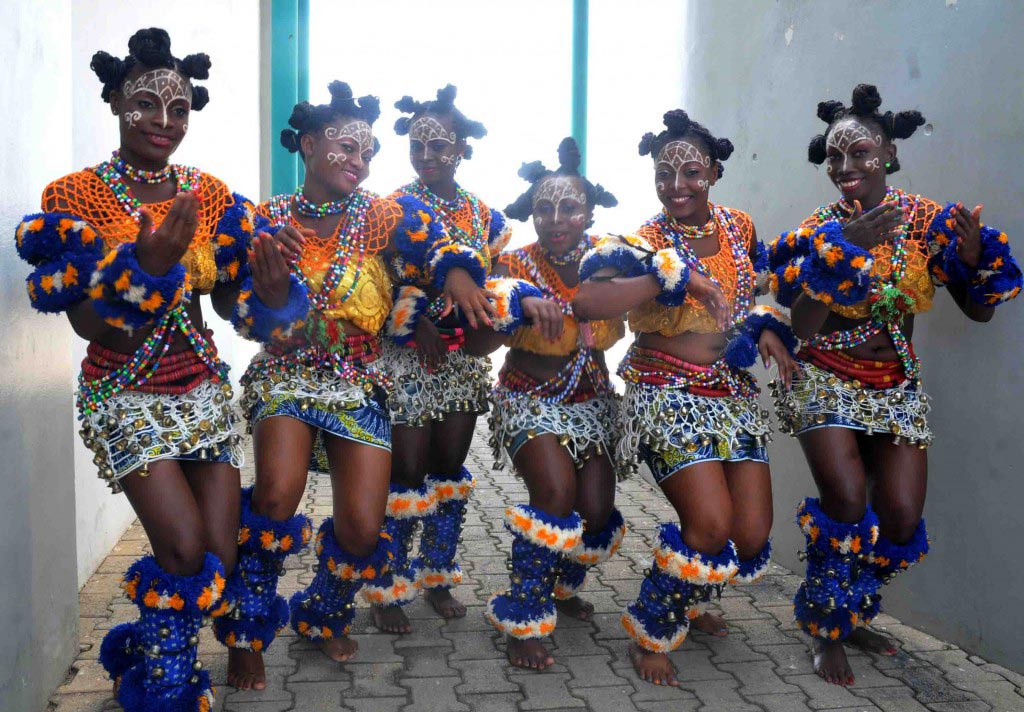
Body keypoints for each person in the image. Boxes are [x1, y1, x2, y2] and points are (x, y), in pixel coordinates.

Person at [14, 28, 260, 710]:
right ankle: (167, 686)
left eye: (178, 108)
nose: (162, 121)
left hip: (202, 388)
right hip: (125, 394)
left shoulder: (207, 192)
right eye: (145, 103)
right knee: (182, 551)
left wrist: (269, 286)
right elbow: (88, 325)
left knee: (223, 551)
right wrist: (149, 267)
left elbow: (238, 305)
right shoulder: (76, 196)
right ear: (115, 101)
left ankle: (209, 647)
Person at [223, 80, 497, 689]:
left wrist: (455, 273)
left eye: (367, 153)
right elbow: (237, 309)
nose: (358, 161)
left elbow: (435, 241)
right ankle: (247, 630)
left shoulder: (382, 214)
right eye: (346, 147)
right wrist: (266, 299)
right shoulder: (265, 218)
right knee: (276, 496)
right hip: (288, 374)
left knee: (363, 527)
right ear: (310, 146)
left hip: (358, 379)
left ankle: (321, 612)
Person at [766, 84, 1021, 686]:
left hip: (895, 385)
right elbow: (800, 325)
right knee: (848, 500)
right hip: (822, 377)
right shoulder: (817, 229)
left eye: (860, 153)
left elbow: (978, 310)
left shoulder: (929, 221)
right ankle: (826, 626)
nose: (846, 168)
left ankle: (850, 607)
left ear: (889, 154)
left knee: (901, 517)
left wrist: (972, 254)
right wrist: (842, 251)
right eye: (835, 157)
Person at [574, 110, 797, 686]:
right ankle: (653, 626)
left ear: (715, 172)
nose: (676, 185)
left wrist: (767, 326)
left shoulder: (740, 227)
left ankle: (694, 595)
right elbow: (588, 301)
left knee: (748, 535)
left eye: (691, 172)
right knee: (709, 524)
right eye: (664, 173)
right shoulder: (641, 241)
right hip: (664, 390)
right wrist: (674, 276)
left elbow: (755, 293)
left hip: (732, 393)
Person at [466, 137, 625, 670]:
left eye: (569, 206)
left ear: (589, 210)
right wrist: (515, 303)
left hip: (593, 400)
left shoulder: (611, 258)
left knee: (596, 510)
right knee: (555, 492)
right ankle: (523, 616)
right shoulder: (510, 262)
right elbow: (479, 342)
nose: (556, 218)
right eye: (543, 208)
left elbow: (654, 287)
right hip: (526, 398)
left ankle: (558, 581)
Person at [366, 85, 511, 633]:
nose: (426, 156)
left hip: (462, 365)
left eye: (439, 146)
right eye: (417, 145)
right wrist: (414, 321)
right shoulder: (390, 208)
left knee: (448, 468)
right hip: (407, 359)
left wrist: (488, 327)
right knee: (405, 469)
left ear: (461, 149)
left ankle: (439, 574)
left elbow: (490, 284)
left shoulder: (485, 217)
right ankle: (388, 584)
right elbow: (375, 285)